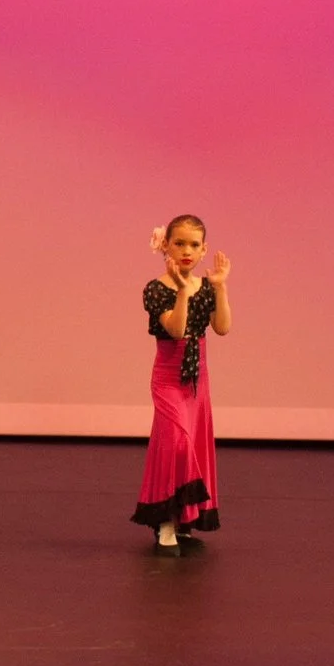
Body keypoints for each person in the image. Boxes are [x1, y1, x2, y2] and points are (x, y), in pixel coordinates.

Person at [134, 215, 230, 554]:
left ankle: (182, 519)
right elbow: (176, 330)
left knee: (194, 443)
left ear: (204, 249)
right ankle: (164, 520)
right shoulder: (156, 289)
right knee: (177, 443)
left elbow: (222, 327)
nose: (187, 251)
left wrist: (220, 287)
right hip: (168, 378)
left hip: (197, 380)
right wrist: (182, 293)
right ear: (166, 246)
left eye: (194, 245)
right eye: (179, 243)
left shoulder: (206, 286)